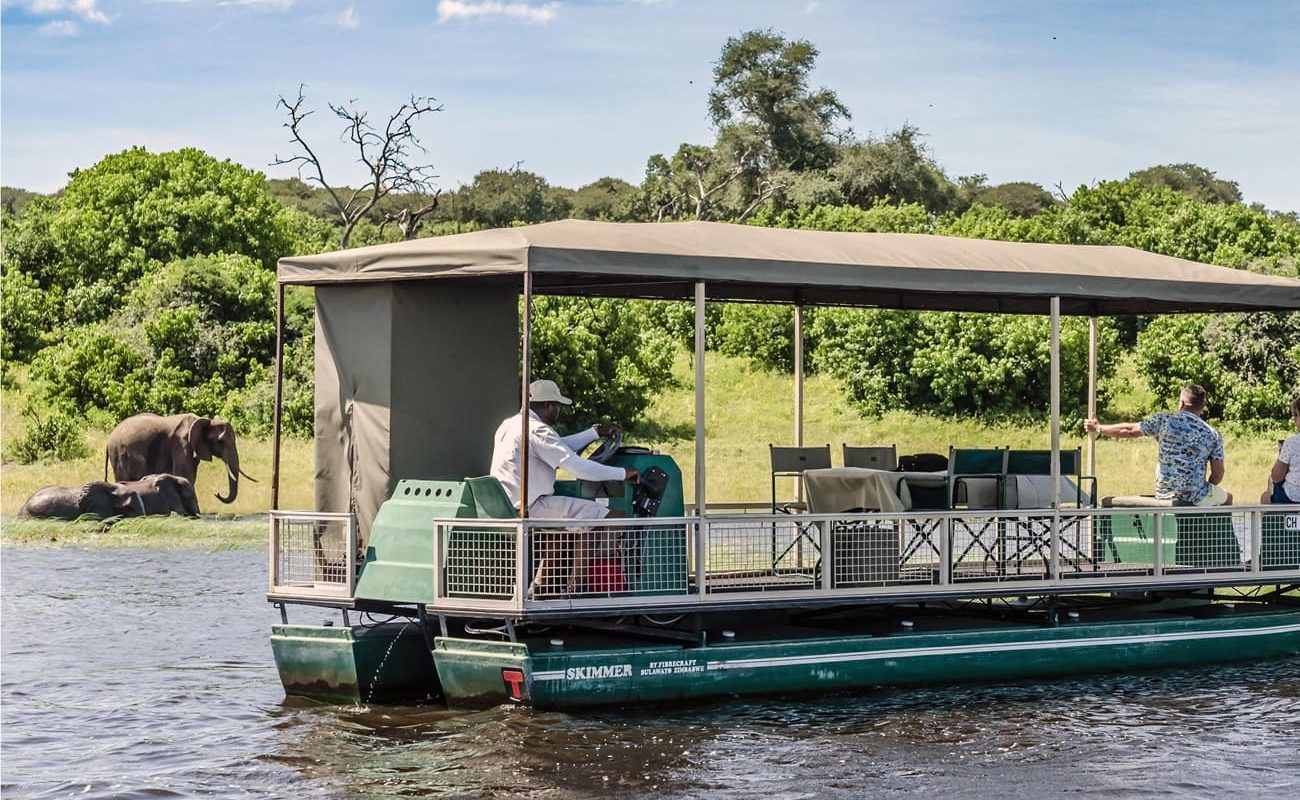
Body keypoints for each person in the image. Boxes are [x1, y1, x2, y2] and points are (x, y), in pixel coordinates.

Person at [490, 379, 639, 594]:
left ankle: (541, 585)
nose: (558, 412)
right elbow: (578, 467)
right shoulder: (537, 430)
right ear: (548, 405)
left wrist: (594, 432)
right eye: (557, 406)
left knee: (563, 519)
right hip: (530, 506)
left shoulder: (509, 425)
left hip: (507, 504)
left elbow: (559, 447)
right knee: (597, 516)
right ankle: (574, 590)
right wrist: (624, 473)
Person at [1085, 384, 1232, 506]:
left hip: (1164, 494)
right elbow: (1218, 475)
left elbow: (1129, 430)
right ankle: (1219, 540)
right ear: (1203, 406)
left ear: (1181, 403)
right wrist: (1207, 487)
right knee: (1228, 497)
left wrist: (1099, 428)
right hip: (1195, 496)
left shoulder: (1164, 420)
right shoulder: (1213, 433)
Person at [1261, 395, 1300, 504]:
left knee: (1265, 497)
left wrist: (1281, 453)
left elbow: (1277, 476)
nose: (1294, 419)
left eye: (1296, 415)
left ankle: (1273, 520)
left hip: (1291, 497)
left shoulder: (1292, 442)